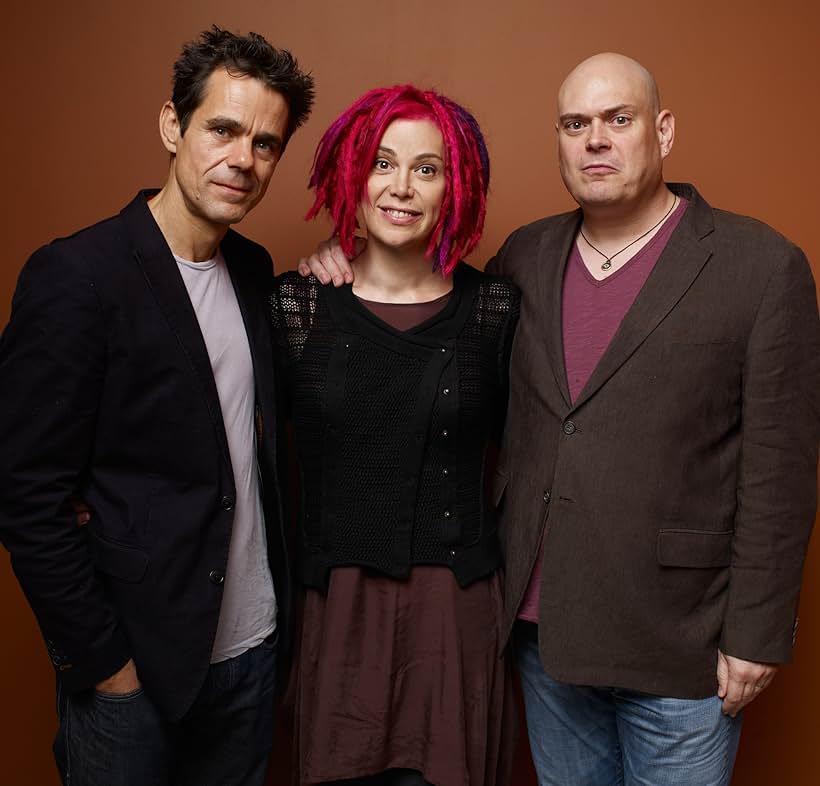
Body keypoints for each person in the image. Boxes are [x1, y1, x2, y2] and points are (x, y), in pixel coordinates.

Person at [299, 53, 820, 786]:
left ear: (662, 131)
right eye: (576, 124)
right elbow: (422, 340)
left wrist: (758, 635)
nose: (595, 140)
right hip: (543, 638)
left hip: (681, 643)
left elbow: (783, 470)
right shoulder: (524, 260)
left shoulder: (759, 267)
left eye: (619, 119)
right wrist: (341, 254)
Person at [0, 26, 313, 786]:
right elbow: (22, 489)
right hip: (133, 673)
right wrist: (105, 664)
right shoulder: (78, 275)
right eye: (224, 129)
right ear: (173, 126)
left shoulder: (252, 268)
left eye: (266, 143)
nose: (243, 158)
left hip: (251, 653)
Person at [271, 85, 519, 786]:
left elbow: (538, 454)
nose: (401, 187)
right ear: (353, 175)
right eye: (382, 163)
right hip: (337, 609)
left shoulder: (496, 309)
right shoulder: (296, 306)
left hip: (455, 615)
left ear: (455, 186)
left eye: (427, 168)